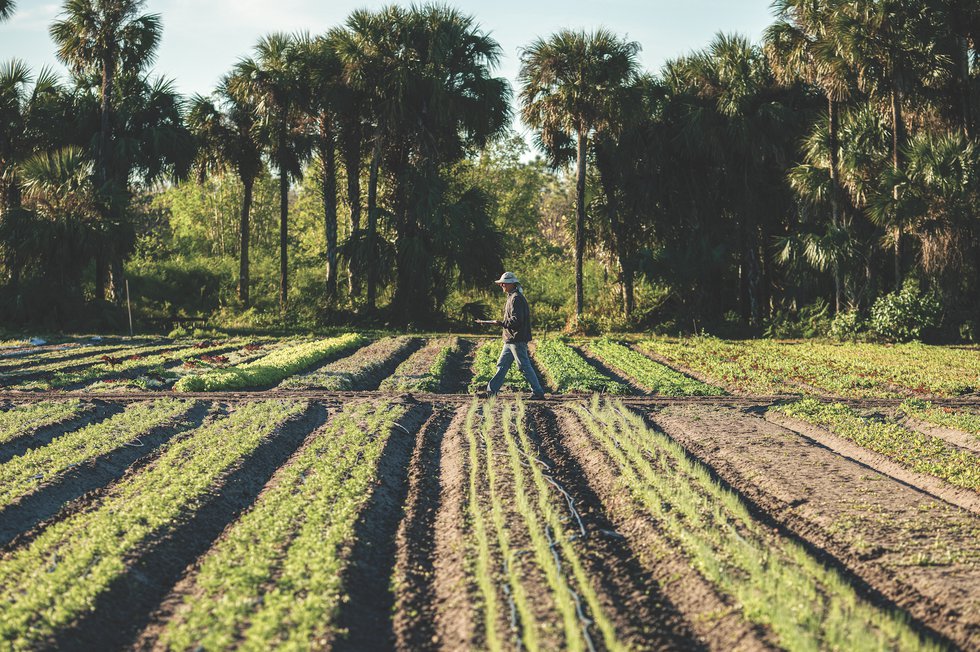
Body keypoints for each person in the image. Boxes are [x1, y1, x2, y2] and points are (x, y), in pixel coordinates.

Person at [484, 272, 546, 400]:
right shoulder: (512, 296)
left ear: (512, 284)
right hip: (511, 338)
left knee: (524, 366)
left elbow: (517, 320)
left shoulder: (516, 298)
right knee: (502, 364)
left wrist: (501, 323)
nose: (502, 285)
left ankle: (538, 392)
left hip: (516, 339)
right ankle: (491, 391)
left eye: (504, 283)